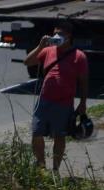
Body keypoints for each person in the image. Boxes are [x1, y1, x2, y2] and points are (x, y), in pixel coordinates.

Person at [24, 22, 88, 173]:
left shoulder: (79, 56)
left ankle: (55, 169)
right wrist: (40, 46)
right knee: (36, 132)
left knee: (59, 136)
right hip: (45, 100)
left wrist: (83, 102)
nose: (56, 36)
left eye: (60, 34)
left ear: (68, 36)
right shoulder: (47, 51)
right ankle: (41, 166)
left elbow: (84, 81)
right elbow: (28, 62)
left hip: (64, 103)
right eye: (55, 33)